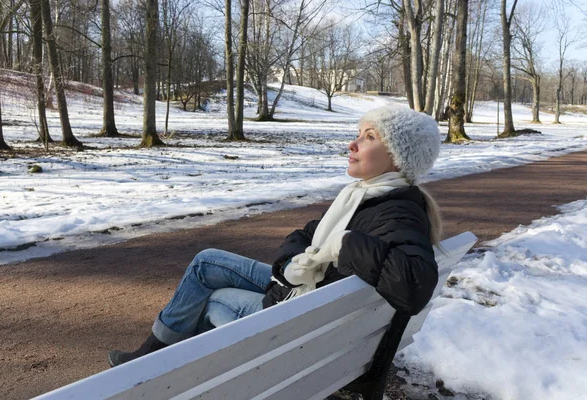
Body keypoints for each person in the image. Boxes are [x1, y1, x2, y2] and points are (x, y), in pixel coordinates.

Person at [108, 106, 443, 367]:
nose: (352, 144)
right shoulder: (367, 196)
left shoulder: (396, 212)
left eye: (369, 137)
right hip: (304, 288)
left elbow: (414, 285)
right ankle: (151, 356)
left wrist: (346, 245)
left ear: (399, 158)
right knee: (206, 262)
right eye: (358, 133)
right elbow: (306, 232)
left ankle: (166, 371)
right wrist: (291, 260)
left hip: (297, 318)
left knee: (213, 298)